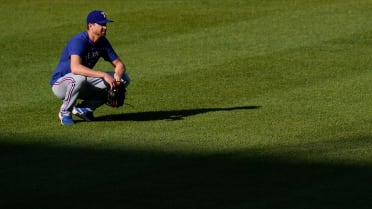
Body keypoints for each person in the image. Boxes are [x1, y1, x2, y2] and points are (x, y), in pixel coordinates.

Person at [50, 10, 130, 125]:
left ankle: (85, 108)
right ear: (90, 26)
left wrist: (117, 77)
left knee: (124, 79)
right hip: (61, 84)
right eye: (101, 24)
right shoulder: (79, 41)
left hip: (81, 83)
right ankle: (65, 112)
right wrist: (103, 74)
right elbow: (75, 68)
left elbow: (120, 65)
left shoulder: (102, 42)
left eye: (105, 24)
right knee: (79, 78)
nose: (105, 27)